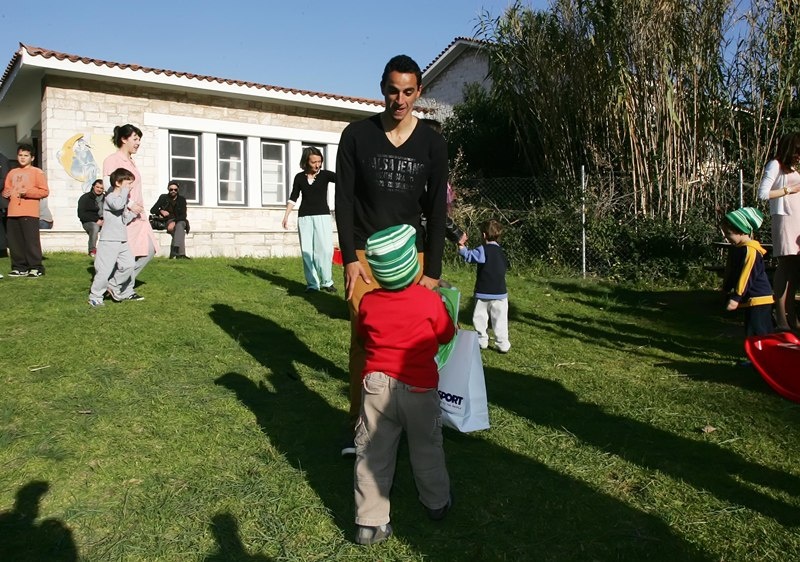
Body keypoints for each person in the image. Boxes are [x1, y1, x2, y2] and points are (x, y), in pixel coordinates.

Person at [335, 54, 449, 456]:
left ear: (418, 92)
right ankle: (361, 426)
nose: (399, 100)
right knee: (365, 342)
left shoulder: (432, 143)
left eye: (407, 92)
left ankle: (410, 421)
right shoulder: (356, 135)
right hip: (364, 257)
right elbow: (343, 201)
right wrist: (349, 258)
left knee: (413, 343)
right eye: (392, 90)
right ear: (382, 88)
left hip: (410, 259)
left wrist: (431, 271)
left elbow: (437, 210)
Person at [353, 224, 455, 546]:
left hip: (376, 388)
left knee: (373, 452)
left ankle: (370, 523)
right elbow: (446, 334)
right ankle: (436, 502)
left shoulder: (368, 303)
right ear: (413, 265)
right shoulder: (428, 302)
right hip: (420, 389)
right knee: (427, 448)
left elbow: (363, 336)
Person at [103, 124, 157, 300]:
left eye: (139, 139)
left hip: (139, 215)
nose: (138, 143)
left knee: (149, 250)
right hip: (126, 214)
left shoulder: (131, 161)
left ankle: (115, 285)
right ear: (123, 139)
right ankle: (123, 289)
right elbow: (108, 188)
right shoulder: (112, 160)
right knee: (130, 253)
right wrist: (131, 204)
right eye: (135, 138)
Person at [757, 132, 800, 332]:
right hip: (785, 219)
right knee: (785, 266)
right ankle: (781, 316)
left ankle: (791, 315)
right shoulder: (775, 165)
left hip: (797, 220)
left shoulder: (792, 168)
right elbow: (763, 194)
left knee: (795, 271)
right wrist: (789, 190)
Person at [282, 147, 336, 291]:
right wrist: (286, 216)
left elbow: (345, 180)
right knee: (307, 251)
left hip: (323, 216)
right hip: (304, 218)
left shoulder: (325, 175)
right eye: (314, 162)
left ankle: (327, 282)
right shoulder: (299, 177)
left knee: (325, 250)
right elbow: (293, 197)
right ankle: (312, 284)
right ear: (306, 162)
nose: (317, 165)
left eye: (319, 161)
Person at [88, 168, 141, 307]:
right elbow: (117, 206)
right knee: (104, 270)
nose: (130, 187)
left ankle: (112, 286)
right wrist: (125, 193)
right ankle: (95, 295)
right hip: (109, 240)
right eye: (128, 184)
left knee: (129, 265)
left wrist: (135, 213)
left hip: (122, 239)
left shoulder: (122, 200)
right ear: (118, 183)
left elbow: (123, 220)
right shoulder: (110, 197)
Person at [458, 219, 511, 352]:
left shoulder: (482, 250)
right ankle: (502, 343)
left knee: (480, 317)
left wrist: (461, 247)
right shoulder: (501, 252)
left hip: (483, 292)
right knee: (500, 319)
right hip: (500, 293)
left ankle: (481, 340)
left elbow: (470, 256)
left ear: (483, 235)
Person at [721, 207, 774, 336]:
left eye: (728, 234)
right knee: (753, 331)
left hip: (759, 299)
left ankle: (764, 354)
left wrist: (736, 297)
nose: (726, 238)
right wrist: (726, 288)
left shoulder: (750, 251)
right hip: (751, 299)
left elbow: (746, 275)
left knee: (758, 332)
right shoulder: (739, 249)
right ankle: (761, 354)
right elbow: (734, 272)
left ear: (741, 231)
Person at [1, 144, 49, 277]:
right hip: (12, 211)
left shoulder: (37, 172)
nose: (22, 158)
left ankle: (35, 267)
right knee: (15, 242)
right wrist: (5, 193)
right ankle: (19, 267)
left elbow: (44, 191)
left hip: (29, 212)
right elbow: (7, 189)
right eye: (20, 155)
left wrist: (28, 192)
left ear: (32, 158)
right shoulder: (12, 172)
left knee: (31, 241)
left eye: (26, 155)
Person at [150, 180, 190, 259]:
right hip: (168, 221)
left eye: (175, 189)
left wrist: (174, 222)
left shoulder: (181, 199)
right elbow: (152, 210)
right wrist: (161, 211)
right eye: (171, 189)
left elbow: (183, 215)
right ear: (168, 189)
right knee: (180, 229)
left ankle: (175, 250)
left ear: (178, 190)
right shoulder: (163, 197)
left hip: (180, 220)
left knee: (180, 224)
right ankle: (180, 255)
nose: (173, 191)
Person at [77, 179, 105, 256]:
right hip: (88, 222)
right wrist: (96, 220)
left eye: (101, 188)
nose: (99, 189)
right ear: (93, 186)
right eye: (97, 187)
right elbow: (81, 214)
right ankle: (92, 250)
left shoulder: (106, 198)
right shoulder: (85, 197)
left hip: (103, 221)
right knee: (95, 227)